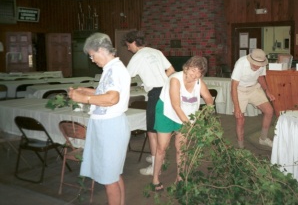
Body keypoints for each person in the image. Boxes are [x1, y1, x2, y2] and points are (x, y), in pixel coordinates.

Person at [68, 32, 131, 205]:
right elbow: (105, 93)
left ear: (101, 50)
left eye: (92, 55)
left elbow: (112, 99)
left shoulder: (114, 70)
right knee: (113, 174)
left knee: (108, 179)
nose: (92, 60)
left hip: (109, 128)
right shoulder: (111, 68)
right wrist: (86, 91)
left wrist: (83, 99)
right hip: (109, 126)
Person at [151, 56, 213, 191]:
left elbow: (208, 98)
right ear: (186, 68)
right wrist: (189, 125)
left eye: (199, 72)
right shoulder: (175, 79)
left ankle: (180, 177)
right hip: (166, 111)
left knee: (182, 148)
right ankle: (155, 177)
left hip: (185, 114)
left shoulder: (199, 82)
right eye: (193, 70)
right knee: (162, 148)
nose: (195, 74)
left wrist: (207, 113)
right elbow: (175, 105)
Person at [123, 30, 175, 176]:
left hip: (156, 94)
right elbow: (171, 70)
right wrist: (161, 81)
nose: (128, 48)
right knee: (162, 128)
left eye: (128, 45)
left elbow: (126, 77)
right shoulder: (156, 51)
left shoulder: (138, 56)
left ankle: (154, 168)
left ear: (133, 42)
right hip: (167, 90)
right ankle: (160, 158)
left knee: (151, 132)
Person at [231, 48, 275, 149]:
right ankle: (241, 147)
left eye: (259, 65)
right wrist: (237, 108)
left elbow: (260, 77)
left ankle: (263, 139)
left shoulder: (261, 64)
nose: (257, 67)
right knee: (240, 119)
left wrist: (267, 91)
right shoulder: (241, 64)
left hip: (254, 88)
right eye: (254, 64)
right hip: (239, 90)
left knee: (269, 111)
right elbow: (233, 86)